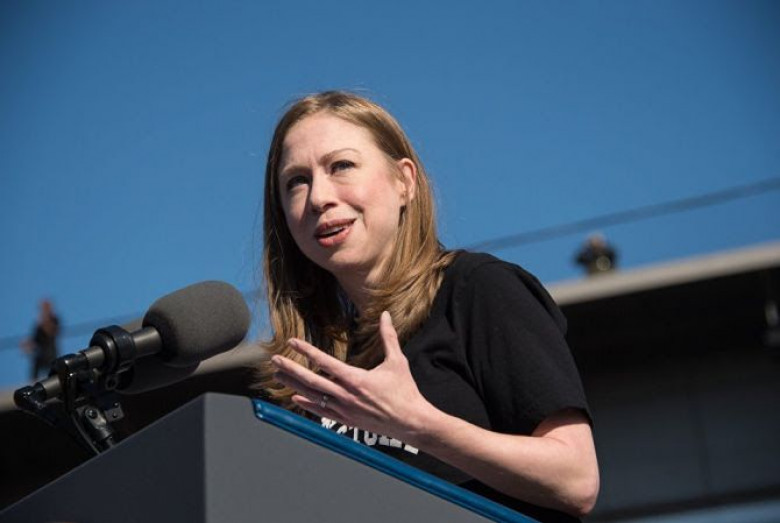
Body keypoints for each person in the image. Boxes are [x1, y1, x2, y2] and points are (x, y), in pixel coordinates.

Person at [256, 91, 599, 522]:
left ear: (404, 182)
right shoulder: (304, 370)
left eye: (341, 166)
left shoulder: (476, 289)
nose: (318, 197)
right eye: (296, 181)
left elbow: (576, 479)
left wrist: (418, 424)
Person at [20, 299, 61, 380]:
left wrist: (45, 320)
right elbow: (35, 339)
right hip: (41, 354)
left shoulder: (54, 319)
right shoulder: (39, 324)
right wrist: (26, 344)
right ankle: (34, 384)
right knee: (35, 368)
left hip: (50, 353)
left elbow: (52, 331)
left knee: (53, 372)